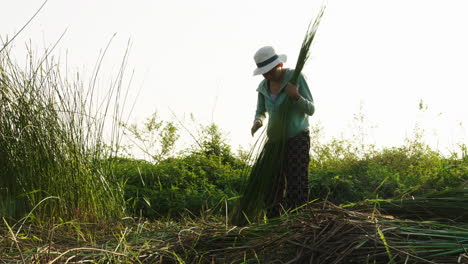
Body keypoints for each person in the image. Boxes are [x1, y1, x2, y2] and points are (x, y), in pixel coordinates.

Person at [251, 46, 315, 213]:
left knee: (296, 183)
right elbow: (261, 111)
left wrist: (296, 96)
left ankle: (297, 222)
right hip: (274, 141)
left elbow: (311, 109)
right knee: (271, 184)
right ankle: (274, 224)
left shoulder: (295, 78)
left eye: (270, 71)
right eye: (264, 72)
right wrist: (258, 121)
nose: (267, 75)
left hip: (297, 138)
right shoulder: (263, 87)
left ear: (279, 65)